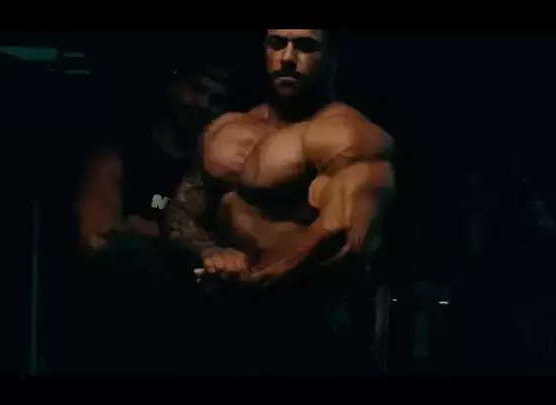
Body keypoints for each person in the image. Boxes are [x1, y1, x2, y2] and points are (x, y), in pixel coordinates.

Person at [163, 29, 396, 373]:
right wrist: (210, 252)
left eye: (305, 46)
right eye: (277, 43)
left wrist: (256, 285)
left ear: (333, 58)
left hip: (308, 336)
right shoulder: (224, 130)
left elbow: (345, 239)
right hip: (222, 327)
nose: (287, 57)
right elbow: (182, 211)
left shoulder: (352, 137)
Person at [77, 63, 231, 251]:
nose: (204, 104)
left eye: (216, 99)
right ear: (172, 86)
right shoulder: (119, 158)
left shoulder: (220, 173)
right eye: (197, 89)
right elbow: (95, 239)